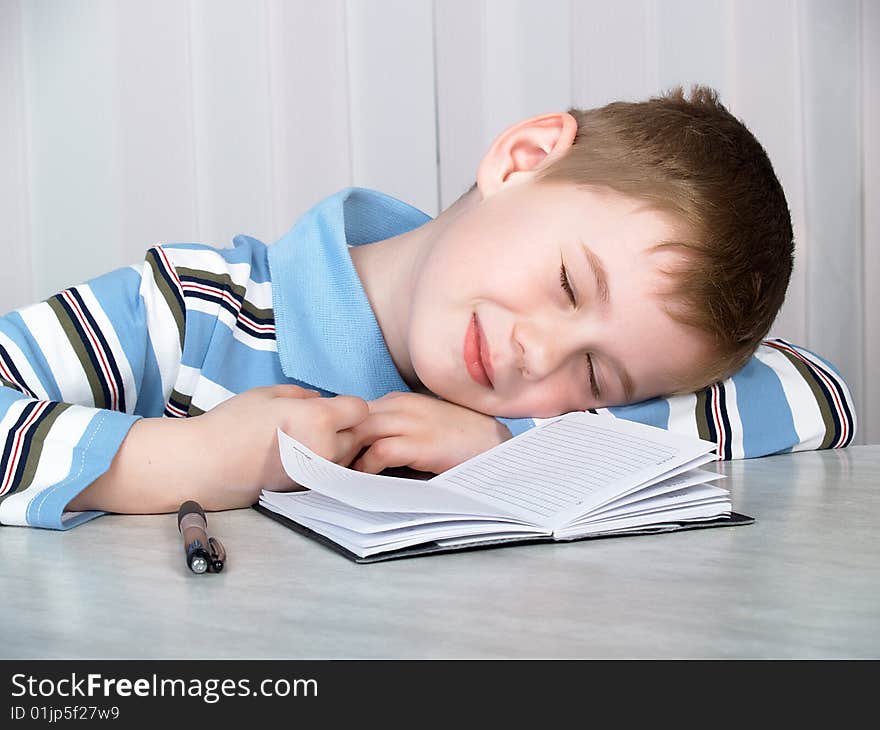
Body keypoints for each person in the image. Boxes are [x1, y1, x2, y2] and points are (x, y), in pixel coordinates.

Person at [0, 85, 855, 530]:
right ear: (522, 157)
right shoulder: (194, 312)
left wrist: (509, 446)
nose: (536, 355)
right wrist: (180, 462)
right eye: (567, 285)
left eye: (595, 374)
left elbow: (817, 398)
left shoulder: (509, 409)